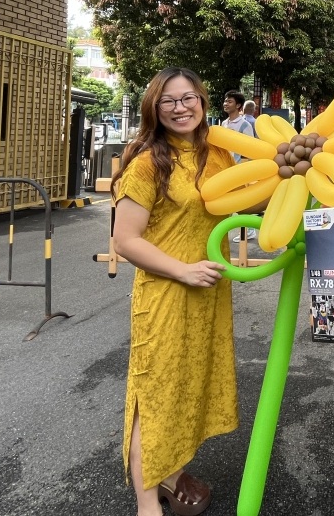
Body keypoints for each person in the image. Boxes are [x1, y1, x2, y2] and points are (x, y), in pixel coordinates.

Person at [112, 67, 238, 516]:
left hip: (208, 292)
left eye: (188, 98)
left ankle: (172, 472)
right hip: (167, 293)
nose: (180, 108)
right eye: (168, 101)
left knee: (188, 386)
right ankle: (147, 503)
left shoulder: (218, 153)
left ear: (202, 101)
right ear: (154, 108)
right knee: (155, 393)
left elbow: (241, 201)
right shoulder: (147, 163)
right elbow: (125, 240)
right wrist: (183, 271)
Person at [221, 91, 255, 162]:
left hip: (237, 164)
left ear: (238, 105)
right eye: (225, 101)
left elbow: (251, 148)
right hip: (223, 163)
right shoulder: (224, 123)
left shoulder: (245, 125)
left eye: (229, 102)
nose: (225, 104)